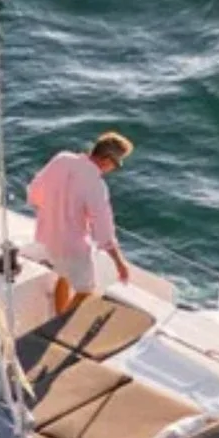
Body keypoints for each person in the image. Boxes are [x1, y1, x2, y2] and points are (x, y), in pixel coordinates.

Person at [27, 131, 134, 315]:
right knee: (86, 290)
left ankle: (60, 315)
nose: (113, 169)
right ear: (107, 160)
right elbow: (103, 230)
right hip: (72, 246)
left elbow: (35, 190)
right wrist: (119, 262)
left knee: (63, 276)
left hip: (47, 235)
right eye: (116, 164)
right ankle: (60, 325)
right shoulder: (95, 185)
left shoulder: (62, 159)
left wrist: (53, 212)